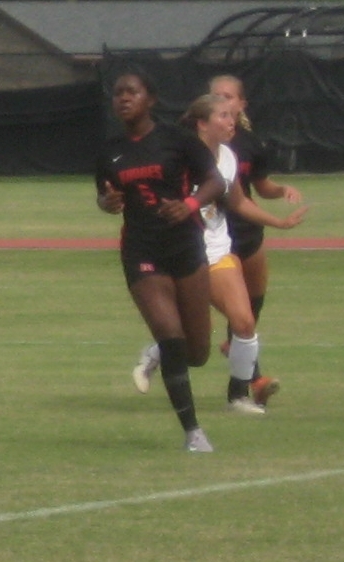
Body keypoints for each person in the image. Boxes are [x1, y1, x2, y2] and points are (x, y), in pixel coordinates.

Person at [132, 94, 307, 415]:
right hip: (183, 252)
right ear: (202, 123)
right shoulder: (176, 156)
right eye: (223, 116)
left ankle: (238, 396)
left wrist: (279, 222)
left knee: (244, 322)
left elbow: (238, 202)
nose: (231, 121)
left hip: (216, 251)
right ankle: (157, 352)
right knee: (193, 342)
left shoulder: (227, 155)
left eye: (232, 115)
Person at [95, 71, 228, 452]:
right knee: (172, 338)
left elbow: (216, 182)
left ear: (150, 99)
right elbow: (104, 196)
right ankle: (193, 432)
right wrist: (107, 203)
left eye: (132, 92)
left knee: (197, 353)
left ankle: (156, 354)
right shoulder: (110, 151)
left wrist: (190, 203)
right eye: (118, 93)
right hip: (142, 251)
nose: (123, 98)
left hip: (185, 247)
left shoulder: (177, 139)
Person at [213, 74, 304, 407]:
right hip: (216, 236)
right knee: (239, 313)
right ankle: (250, 382)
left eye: (228, 96)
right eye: (215, 96)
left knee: (253, 305)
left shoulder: (250, 143)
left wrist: (281, 190)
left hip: (248, 232)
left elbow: (260, 186)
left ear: (241, 104)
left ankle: (239, 354)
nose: (222, 102)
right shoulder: (198, 143)